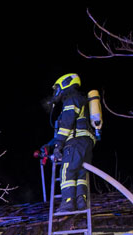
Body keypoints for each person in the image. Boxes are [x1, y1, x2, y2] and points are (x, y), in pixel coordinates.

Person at [45, 73, 96, 213]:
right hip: (86, 144)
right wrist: (49, 145)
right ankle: (81, 201)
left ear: (65, 83)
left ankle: (68, 202)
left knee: (67, 171)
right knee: (80, 173)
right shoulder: (80, 99)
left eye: (57, 88)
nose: (56, 92)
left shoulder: (70, 99)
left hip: (74, 143)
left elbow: (67, 124)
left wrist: (58, 146)